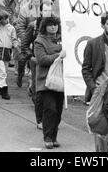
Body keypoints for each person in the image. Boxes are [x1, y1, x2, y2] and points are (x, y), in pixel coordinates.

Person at [82, 10, 108, 152]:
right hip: (100, 92)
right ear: (102, 25)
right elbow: (86, 69)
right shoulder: (93, 44)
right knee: (101, 131)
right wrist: (94, 88)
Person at [34, 16, 66, 149]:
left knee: (58, 110)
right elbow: (42, 60)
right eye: (50, 25)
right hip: (46, 82)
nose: (54, 27)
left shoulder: (63, 39)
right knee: (50, 109)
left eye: (55, 24)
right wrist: (58, 56)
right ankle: (47, 137)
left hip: (60, 81)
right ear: (44, 27)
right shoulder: (39, 41)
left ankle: (54, 136)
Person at [0, 9, 18, 99]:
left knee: (4, 70)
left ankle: (0, 87)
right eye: (3, 19)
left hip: (7, 51)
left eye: (7, 18)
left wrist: (16, 45)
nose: (6, 21)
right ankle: (4, 90)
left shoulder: (11, 28)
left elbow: (14, 39)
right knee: (2, 71)